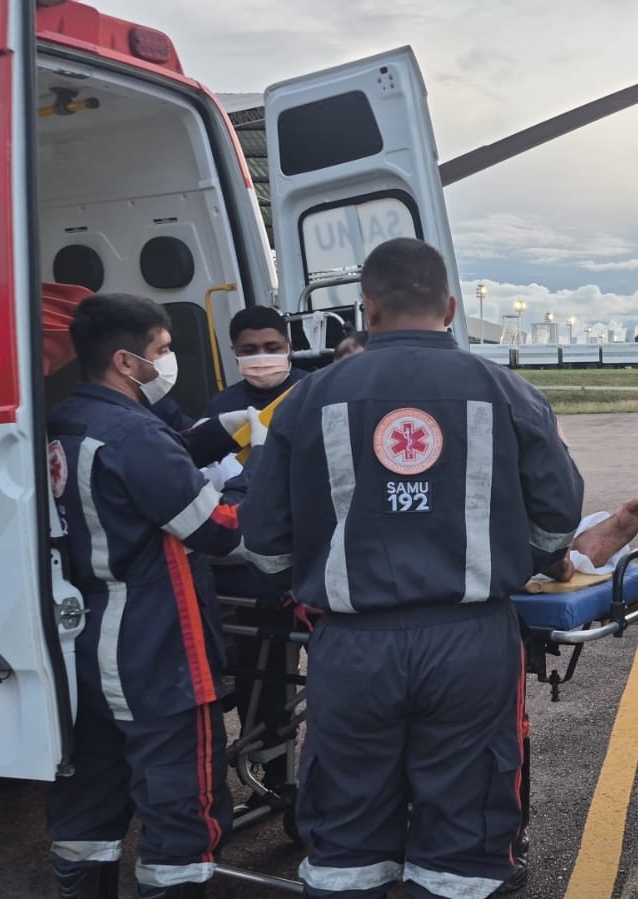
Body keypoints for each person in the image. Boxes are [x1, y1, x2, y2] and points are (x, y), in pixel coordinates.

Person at [239, 237, 583, 899]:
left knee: (346, 837)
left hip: (351, 645)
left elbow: (263, 541)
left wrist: (312, 584)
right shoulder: (508, 391)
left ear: (367, 309)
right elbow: (557, 516)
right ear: (450, 307)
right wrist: (528, 562)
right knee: (464, 837)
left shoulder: (308, 400)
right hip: (471, 641)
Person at [45, 293, 263, 899]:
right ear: (126, 361)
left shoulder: (63, 421)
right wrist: (266, 485)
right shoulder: (134, 434)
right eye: (162, 350)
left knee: (88, 800)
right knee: (183, 814)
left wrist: (213, 436)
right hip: (158, 654)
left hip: (83, 644)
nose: (169, 360)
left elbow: (145, 474)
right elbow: (216, 528)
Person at [207, 306, 307, 419]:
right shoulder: (222, 405)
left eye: (273, 348)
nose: (262, 358)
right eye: (249, 351)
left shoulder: (314, 391)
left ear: (289, 348)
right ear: (235, 353)